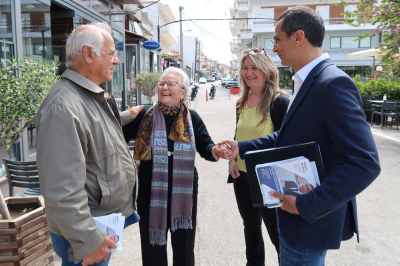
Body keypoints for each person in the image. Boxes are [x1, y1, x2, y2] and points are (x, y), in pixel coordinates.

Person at [219, 6, 380, 266]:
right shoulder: (306, 82)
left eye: (277, 39)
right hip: (295, 217)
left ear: (298, 37)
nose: (274, 48)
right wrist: (242, 147)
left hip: (308, 222)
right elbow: (287, 137)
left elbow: (365, 163)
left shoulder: (332, 84)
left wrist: (307, 204)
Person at [36, 22, 144, 266]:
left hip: (96, 223)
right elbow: (62, 190)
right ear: (88, 54)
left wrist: (127, 115)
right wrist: (88, 240)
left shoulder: (89, 95)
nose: (117, 61)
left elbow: (96, 131)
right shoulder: (63, 107)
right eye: (112, 53)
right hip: (85, 232)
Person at [123, 66, 224, 266]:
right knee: (153, 251)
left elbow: (205, 146)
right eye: (162, 83)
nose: (165, 87)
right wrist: (128, 163)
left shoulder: (191, 118)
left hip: (183, 195)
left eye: (171, 84)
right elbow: (115, 136)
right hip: (151, 193)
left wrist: (216, 151)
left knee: (184, 250)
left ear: (183, 92)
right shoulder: (144, 115)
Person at [227, 47, 289, 265]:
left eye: (254, 67)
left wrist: (242, 147)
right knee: (250, 228)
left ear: (266, 70)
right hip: (242, 176)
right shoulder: (241, 102)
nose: (248, 72)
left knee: (277, 233)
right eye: (245, 67)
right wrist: (233, 159)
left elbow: (285, 139)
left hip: (269, 177)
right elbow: (239, 134)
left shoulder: (279, 101)